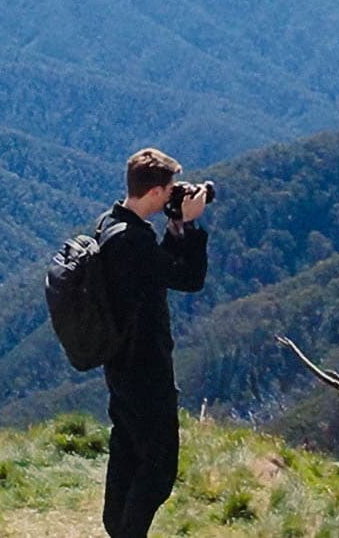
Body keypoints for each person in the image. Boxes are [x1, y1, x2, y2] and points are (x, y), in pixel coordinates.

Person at [97, 147, 210, 537]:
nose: (172, 197)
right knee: (160, 468)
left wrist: (176, 227)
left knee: (128, 450)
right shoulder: (134, 242)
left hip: (120, 366)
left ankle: (116, 526)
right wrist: (191, 226)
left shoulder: (111, 226)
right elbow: (189, 279)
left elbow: (159, 271)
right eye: (170, 191)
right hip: (146, 369)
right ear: (155, 193)